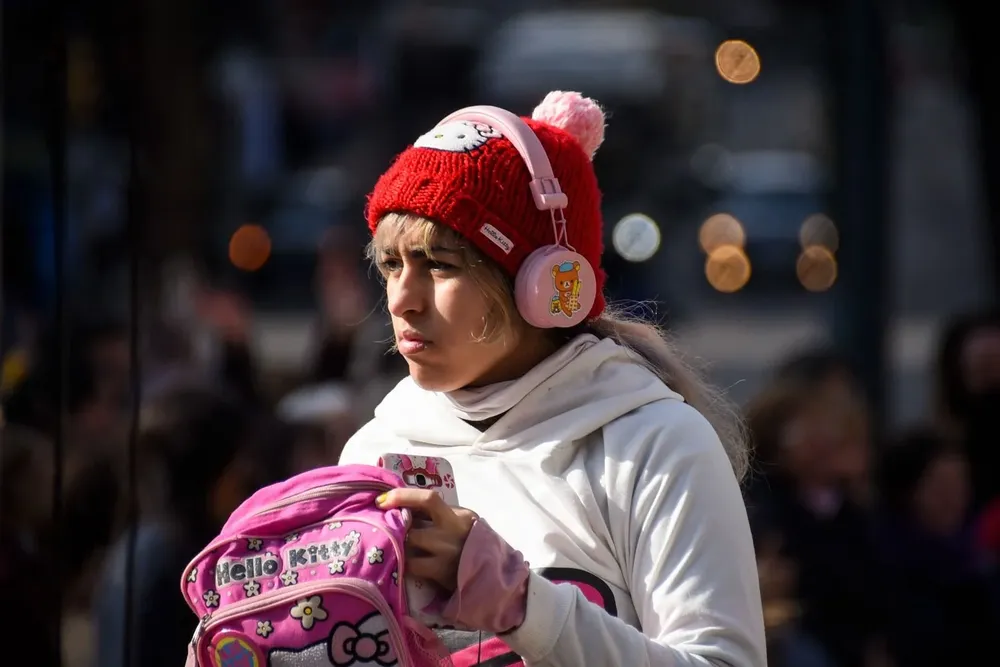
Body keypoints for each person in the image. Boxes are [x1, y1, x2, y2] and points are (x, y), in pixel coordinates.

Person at [338, 91, 766, 666]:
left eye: (440, 264)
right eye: (392, 265)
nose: (403, 300)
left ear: (543, 285)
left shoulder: (657, 445)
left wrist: (522, 606)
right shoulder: (372, 452)